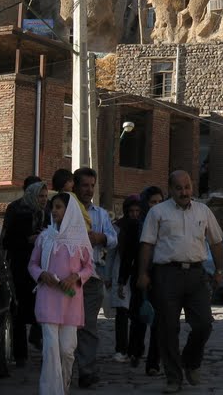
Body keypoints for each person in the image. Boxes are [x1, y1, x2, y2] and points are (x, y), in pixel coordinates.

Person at [137, 171, 223, 394]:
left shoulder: (203, 211)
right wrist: (143, 273)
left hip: (196, 275)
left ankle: (191, 361)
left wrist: (219, 270)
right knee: (167, 328)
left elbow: (216, 241)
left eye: (187, 187)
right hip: (166, 274)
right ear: (170, 190)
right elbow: (147, 244)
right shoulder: (158, 212)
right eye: (179, 188)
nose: (184, 192)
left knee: (204, 324)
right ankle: (173, 377)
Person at [29, 192, 94, 395]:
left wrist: (76, 277)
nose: (54, 211)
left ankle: (63, 386)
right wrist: (41, 274)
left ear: (69, 211)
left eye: (59, 207)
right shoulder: (45, 237)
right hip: (48, 298)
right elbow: (32, 264)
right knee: (50, 349)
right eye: (53, 207)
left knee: (67, 350)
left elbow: (89, 267)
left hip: (71, 301)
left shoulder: (80, 240)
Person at [72, 167, 117, 390]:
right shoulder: (68, 210)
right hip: (68, 277)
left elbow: (113, 239)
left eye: (92, 185)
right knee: (68, 325)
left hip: (93, 276)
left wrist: (101, 237)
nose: (89, 189)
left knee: (88, 325)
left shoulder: (100, 214)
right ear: (75, 186)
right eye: (84, 185)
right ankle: (64, 368)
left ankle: (86, 371)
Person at [3, 180, 49, 366]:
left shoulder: (47, 214)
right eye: (40, 196)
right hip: (21, 267)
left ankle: (39, 340)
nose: (44, 200)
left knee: (43, 307)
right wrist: (27, 239)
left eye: (46, 196)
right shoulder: (18, 212)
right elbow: (7, 241)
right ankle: (20, 355)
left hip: (41, 267)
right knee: (20, 312)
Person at [123, 185, 164, 374]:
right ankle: (135, 351)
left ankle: (153, 363)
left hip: (161, 277)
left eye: (159, 202)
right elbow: (128, 255)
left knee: (158, 322)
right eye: (152, 202)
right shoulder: (135, 225)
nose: (156, 206)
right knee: (139, 317)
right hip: (139, 278)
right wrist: (122, 281)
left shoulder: (166, 223)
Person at [108, 195, 141, 363]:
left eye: (137, 211)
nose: (134, 214)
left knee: (137, 313)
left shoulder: (144, 227)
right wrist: (108, 276)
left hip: (139, 273)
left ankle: (135, 349)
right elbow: (112, 255)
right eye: (131, 211)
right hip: (120, 272)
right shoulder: (118, 228)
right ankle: (121, 349)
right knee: (121, 313)